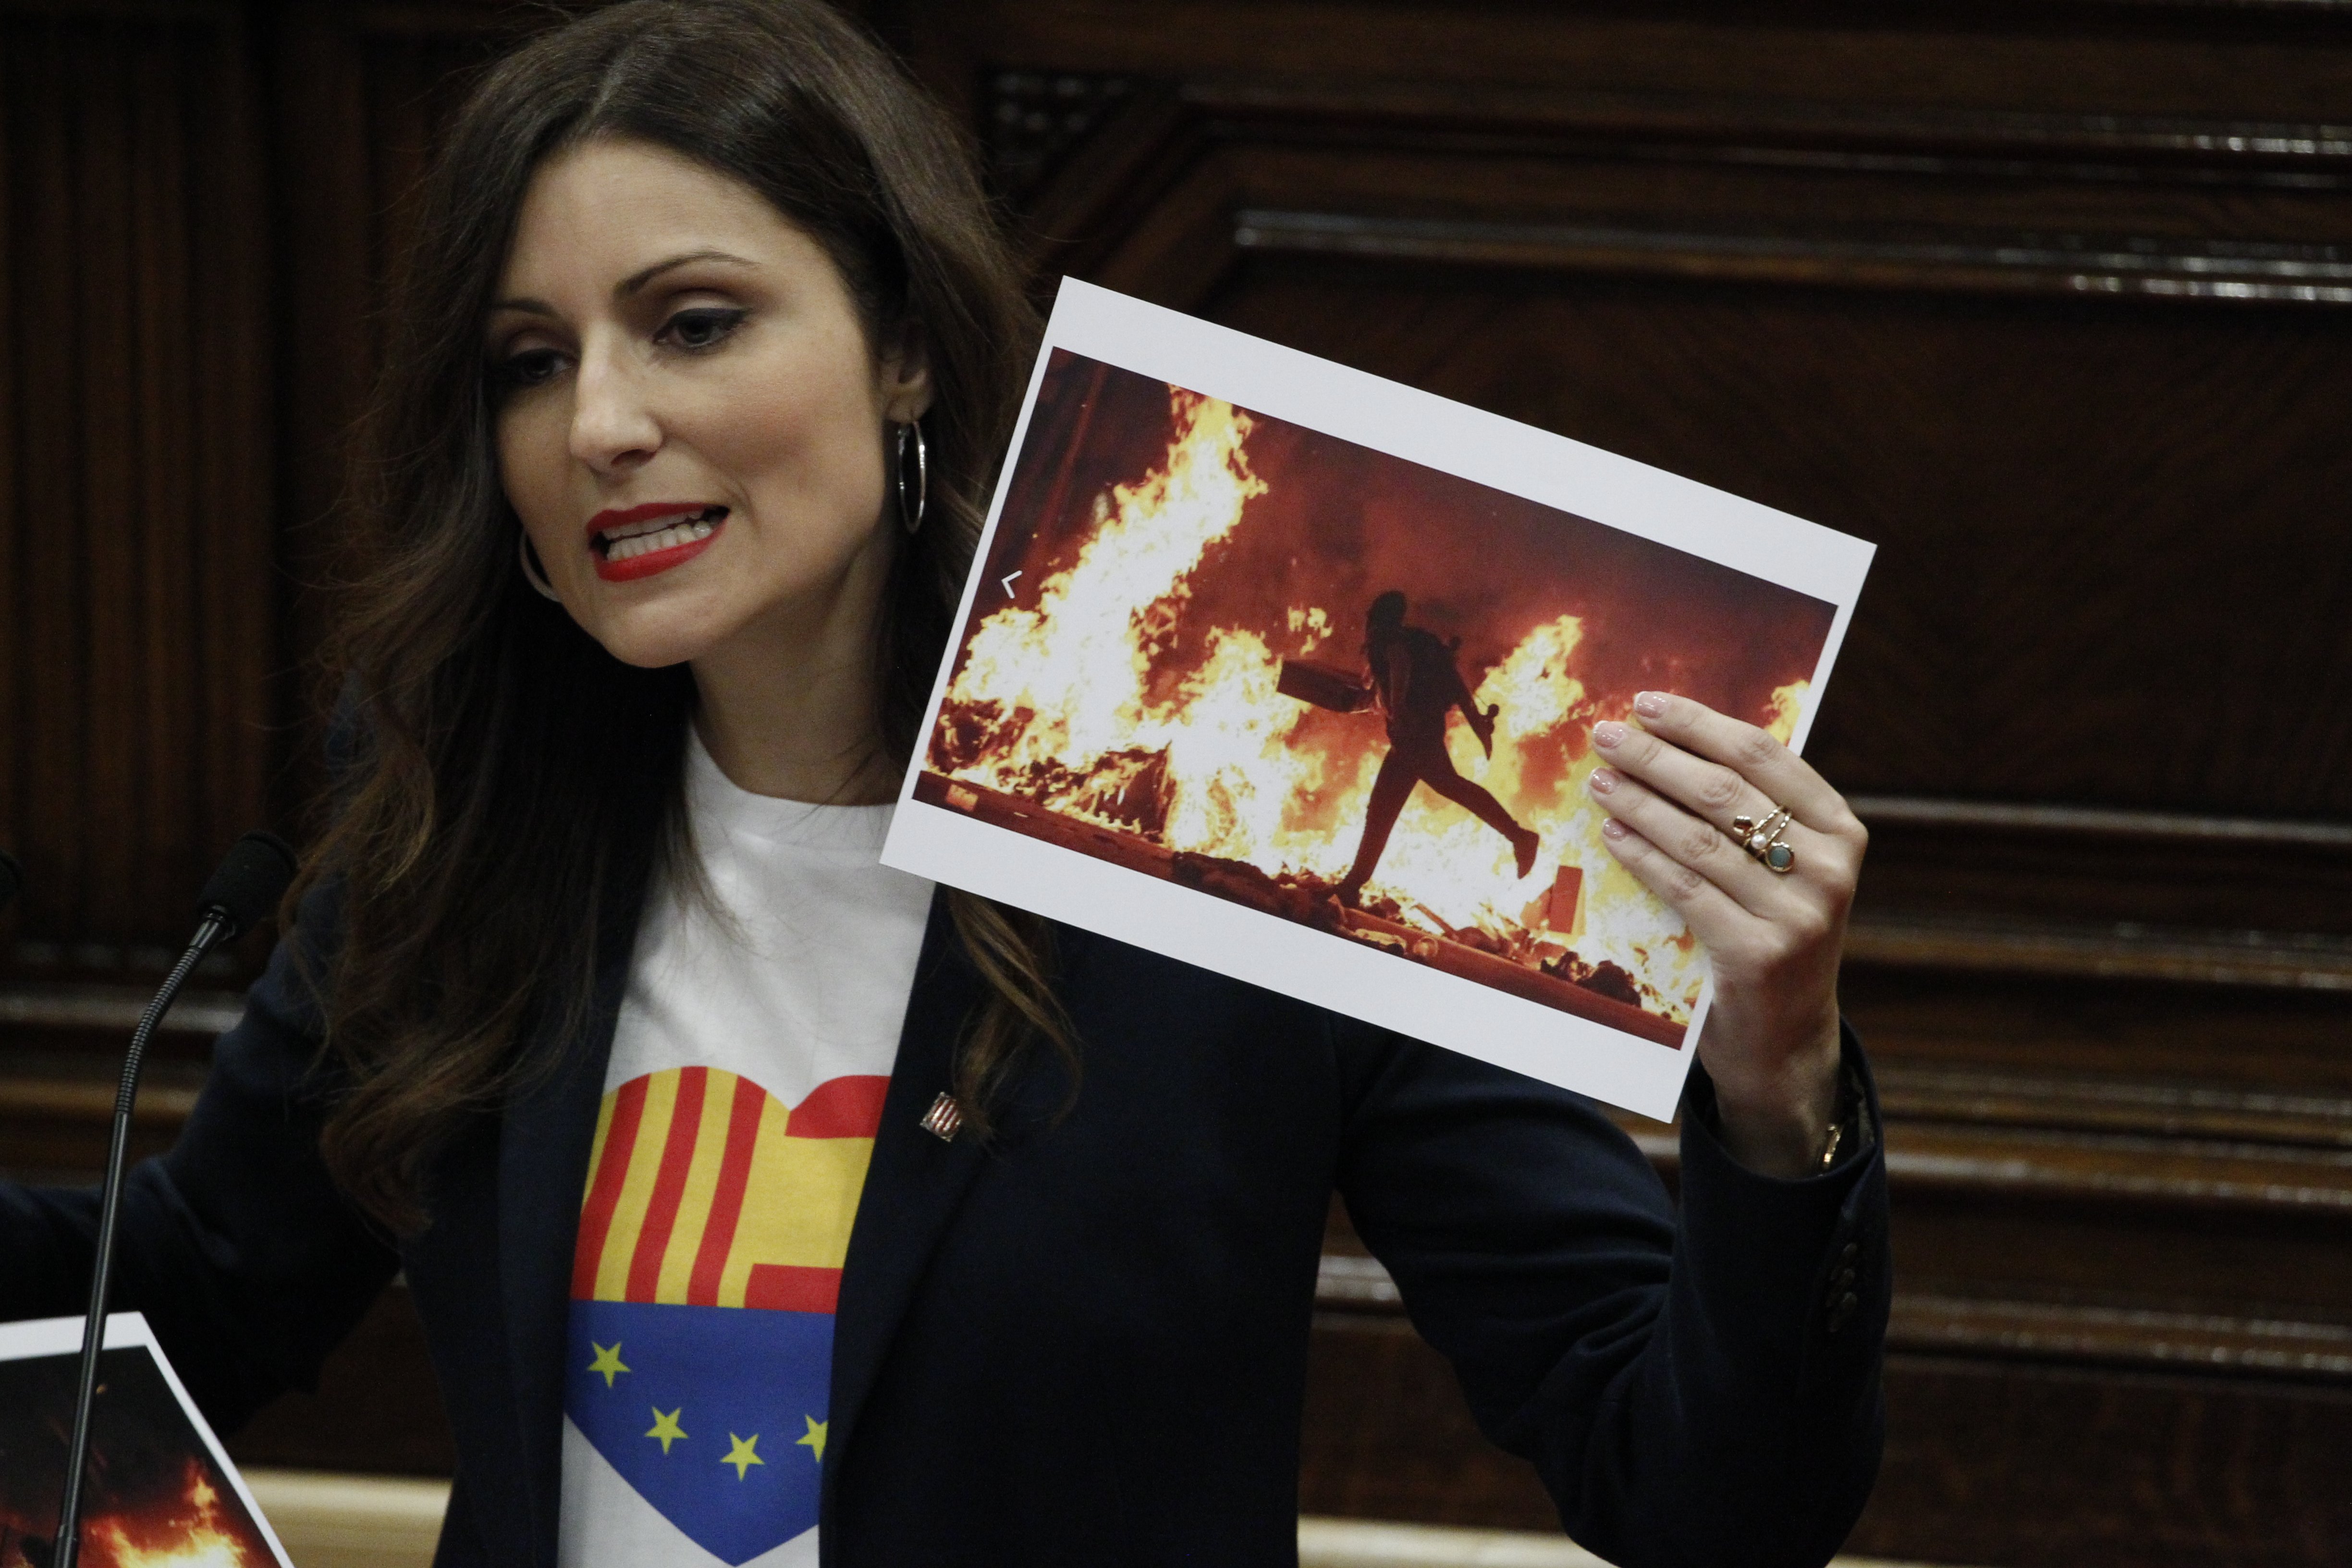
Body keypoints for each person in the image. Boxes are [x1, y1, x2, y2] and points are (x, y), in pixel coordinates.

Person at [0, 3, 1889, 1566]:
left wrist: (1775, 1085)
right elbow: (179, 1303)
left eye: (694, 322)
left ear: (903, 350)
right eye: (527, 360)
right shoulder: (464, 807)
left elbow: (1707, 1495)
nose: (598, 424)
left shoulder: (1227, 831)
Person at [1333, 590, 1542, 906]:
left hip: (1414, 738)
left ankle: (1520, 837)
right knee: (1382, 810)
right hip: (1415, 736)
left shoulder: (1391, 643)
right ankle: (1350, 888)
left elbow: (1399, 670)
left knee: (1442, 790)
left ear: (1376, 617)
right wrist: (1477, 724)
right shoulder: (1416, 643)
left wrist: (1400, 709)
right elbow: (1454, 686)